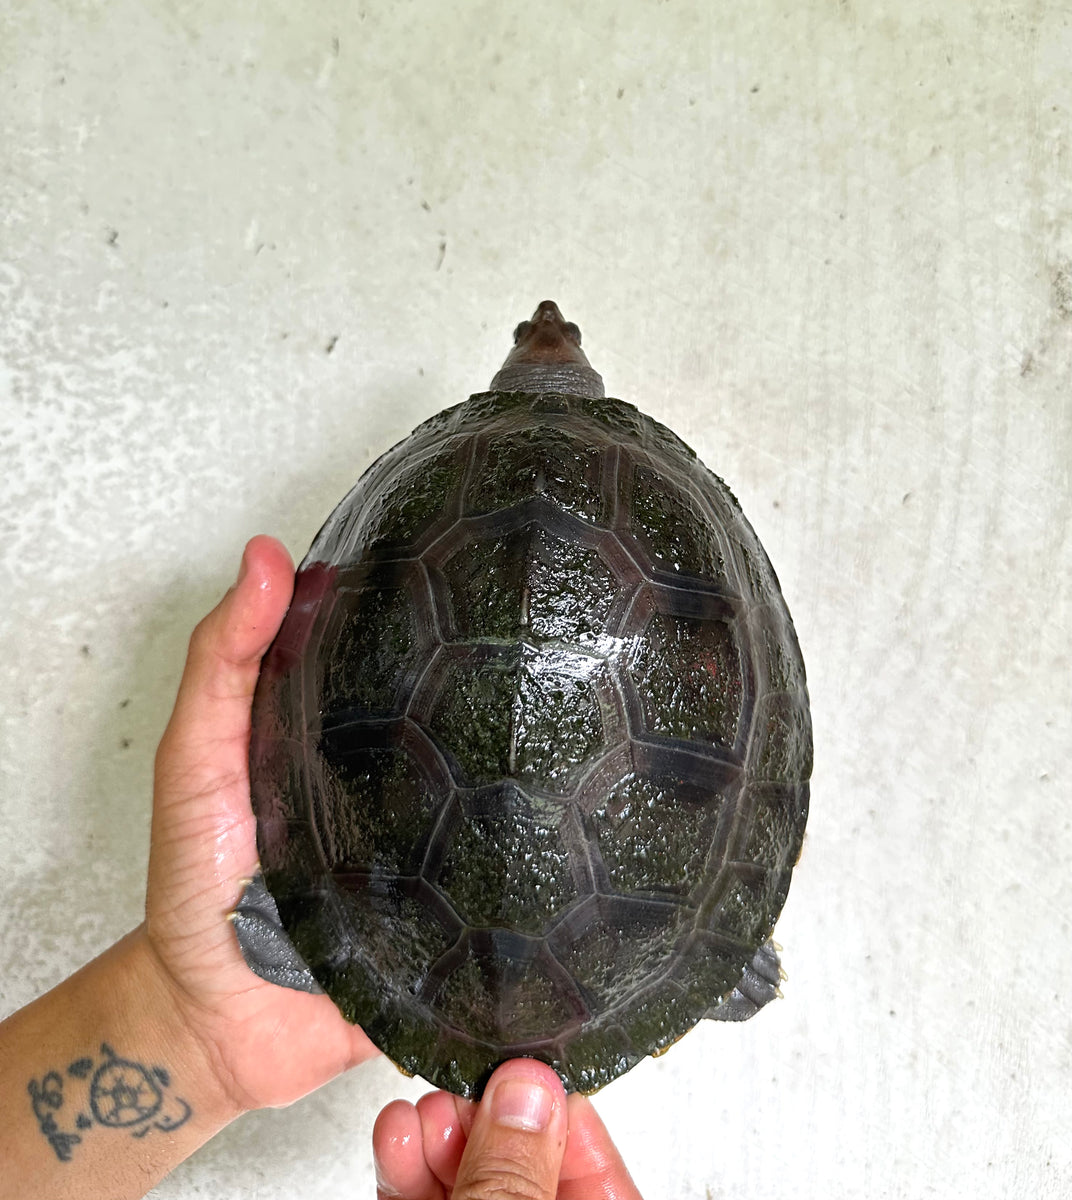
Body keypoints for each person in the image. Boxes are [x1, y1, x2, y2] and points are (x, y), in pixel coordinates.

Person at [0, 537, 644, 1200]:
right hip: (607, 929)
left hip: (378, 892)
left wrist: (190, 1019)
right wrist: (188, 1020)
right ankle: (696, 930)